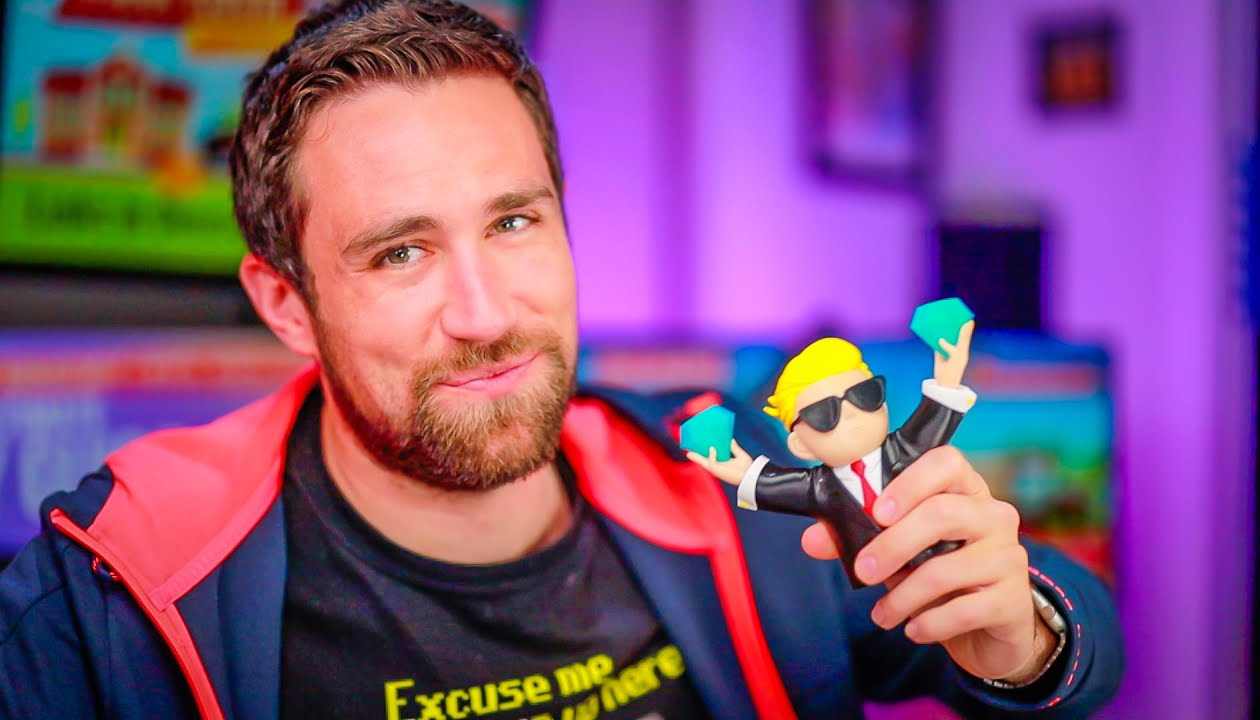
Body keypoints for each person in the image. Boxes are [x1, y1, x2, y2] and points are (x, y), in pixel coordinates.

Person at [0, 2, 1123, 718]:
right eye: (400, 253)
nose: (484, 312)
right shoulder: (103, 597)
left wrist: (1022, 636)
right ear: (286, 303)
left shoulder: (733, 473)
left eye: (513, 222)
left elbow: (1084, 647)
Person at [687, 330, 976, 590]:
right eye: (824, 413)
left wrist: (948, 381)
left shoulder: (905, 450)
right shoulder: (820, 488)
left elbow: (932, 419)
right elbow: (777, 485)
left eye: (864, 395)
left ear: (884, 405)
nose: (850, 412)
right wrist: (743, 472)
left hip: (941, 557)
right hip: (873, 582)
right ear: (800, 445)